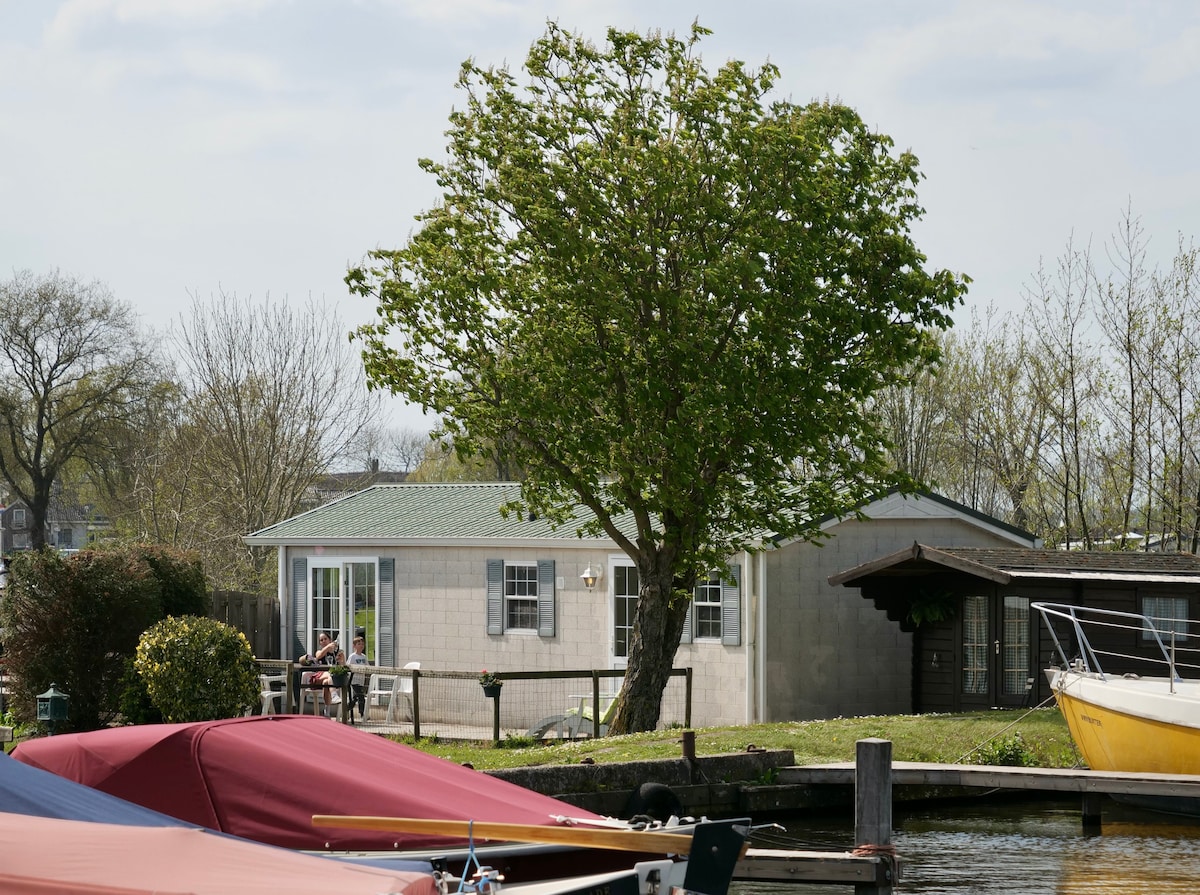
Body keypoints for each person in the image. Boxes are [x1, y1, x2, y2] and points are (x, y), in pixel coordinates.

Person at [300, 632, 342, 715]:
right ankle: (334, 695)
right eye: (321, 640)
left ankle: (327, 711)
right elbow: (318, 656)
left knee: (326, 682)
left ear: (330, 640)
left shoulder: (336, 653)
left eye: (325, 639)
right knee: (331, 674)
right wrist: (327, 647)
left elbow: (342, 666)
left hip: (329, 680)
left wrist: (341, 658)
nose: (323, 641)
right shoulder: (319, 652)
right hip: (318, 677)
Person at [346, 635, 369, 722]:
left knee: (358, 697)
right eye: (359, 644)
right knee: (359, 696)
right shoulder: (353, 656)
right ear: (354, 646)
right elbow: (348, 666)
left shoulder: (364, 657)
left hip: (361, 680)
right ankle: (361, 713)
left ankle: (349, 708)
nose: (361, 645)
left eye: (362, 644)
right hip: (354, 680)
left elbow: (367, 666)